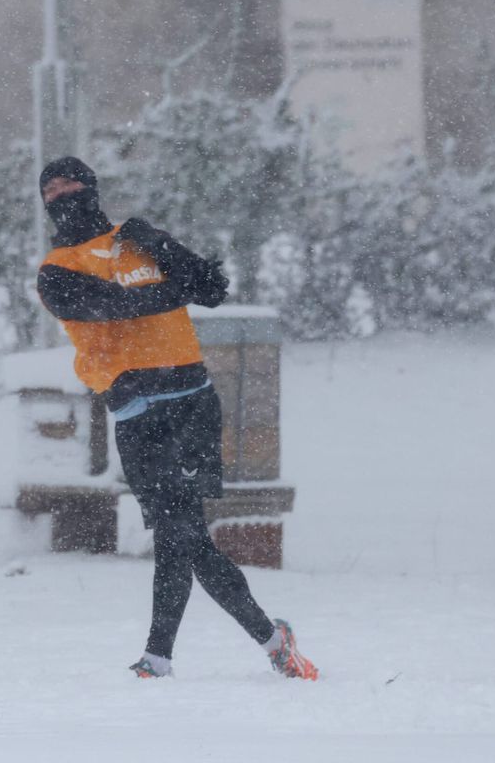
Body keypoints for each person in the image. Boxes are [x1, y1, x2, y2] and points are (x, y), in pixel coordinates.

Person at [35, 156, 318, 681]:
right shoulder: (56, 271)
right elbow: (116, 307)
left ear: (91, 187)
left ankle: (159, 659)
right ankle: (269, 640)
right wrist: (178, 284)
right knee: (184, 535)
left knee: (179, 534)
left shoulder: (140, 240)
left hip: (192, 404)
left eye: (70, 183)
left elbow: (213, 288)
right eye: (51, 189)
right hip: (138, 413)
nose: (62, 194)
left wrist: (162, 247)